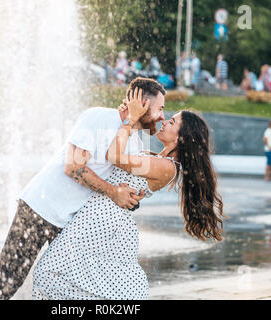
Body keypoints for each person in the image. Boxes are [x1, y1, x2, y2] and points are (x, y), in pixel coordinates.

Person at [32, 88, 225, 300]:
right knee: (62, 279)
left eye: (171, 122)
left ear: (181, 138)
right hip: (98, 220)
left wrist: (131, 119)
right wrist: (125, 115)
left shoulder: (166, 168)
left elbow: (115, 156)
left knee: (50, 274)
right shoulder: (158, 159)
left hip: (103, 224)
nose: (164, 121)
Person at [0, 77, 166, 300]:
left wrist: (130, 197)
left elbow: (127, 181)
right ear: (142, 104)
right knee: (7, 281)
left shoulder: (134, 141)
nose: (162, 116)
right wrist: (113, 191)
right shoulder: (99, 117)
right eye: (160, 108)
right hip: (41, 208)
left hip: (72, 225)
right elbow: (73, 167)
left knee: (69, 289)